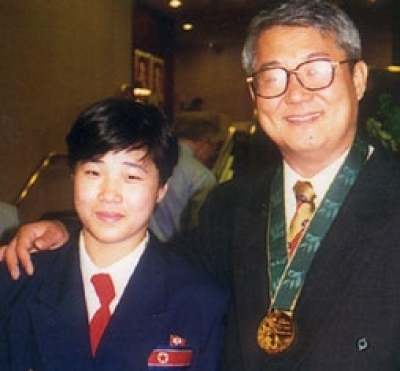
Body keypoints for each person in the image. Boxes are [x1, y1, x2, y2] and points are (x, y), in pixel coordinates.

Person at [3, 0, 400, 369]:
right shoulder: (229, 204)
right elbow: (151, 266)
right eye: (272, 76)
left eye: (316, 70)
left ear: (359, 78)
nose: (295, 93)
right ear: (253, 94)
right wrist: (68, 234)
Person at [0, 98, 228, 370]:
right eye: (94, 172)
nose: (109, 194)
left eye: (131, 177)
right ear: (73, 176)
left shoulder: (201, 298)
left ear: (161, 189)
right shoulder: (17, 280)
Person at [149, 115, 220, 242]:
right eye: (214, 147)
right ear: (203, 143)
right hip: (175, 253)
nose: (213, 154)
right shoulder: (201, 176)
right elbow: (200, 228)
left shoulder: (148, 161)